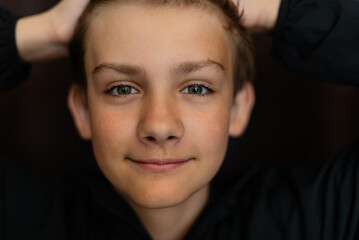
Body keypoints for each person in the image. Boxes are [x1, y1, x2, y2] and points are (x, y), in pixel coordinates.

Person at [0, 1, 358, 240]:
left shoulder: (317, 218)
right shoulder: (22, 217)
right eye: (123, 89)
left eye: (197, 88)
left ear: (238, 108)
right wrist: (35, 33)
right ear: (82, 111)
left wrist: (273, 11)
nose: (159, 125)